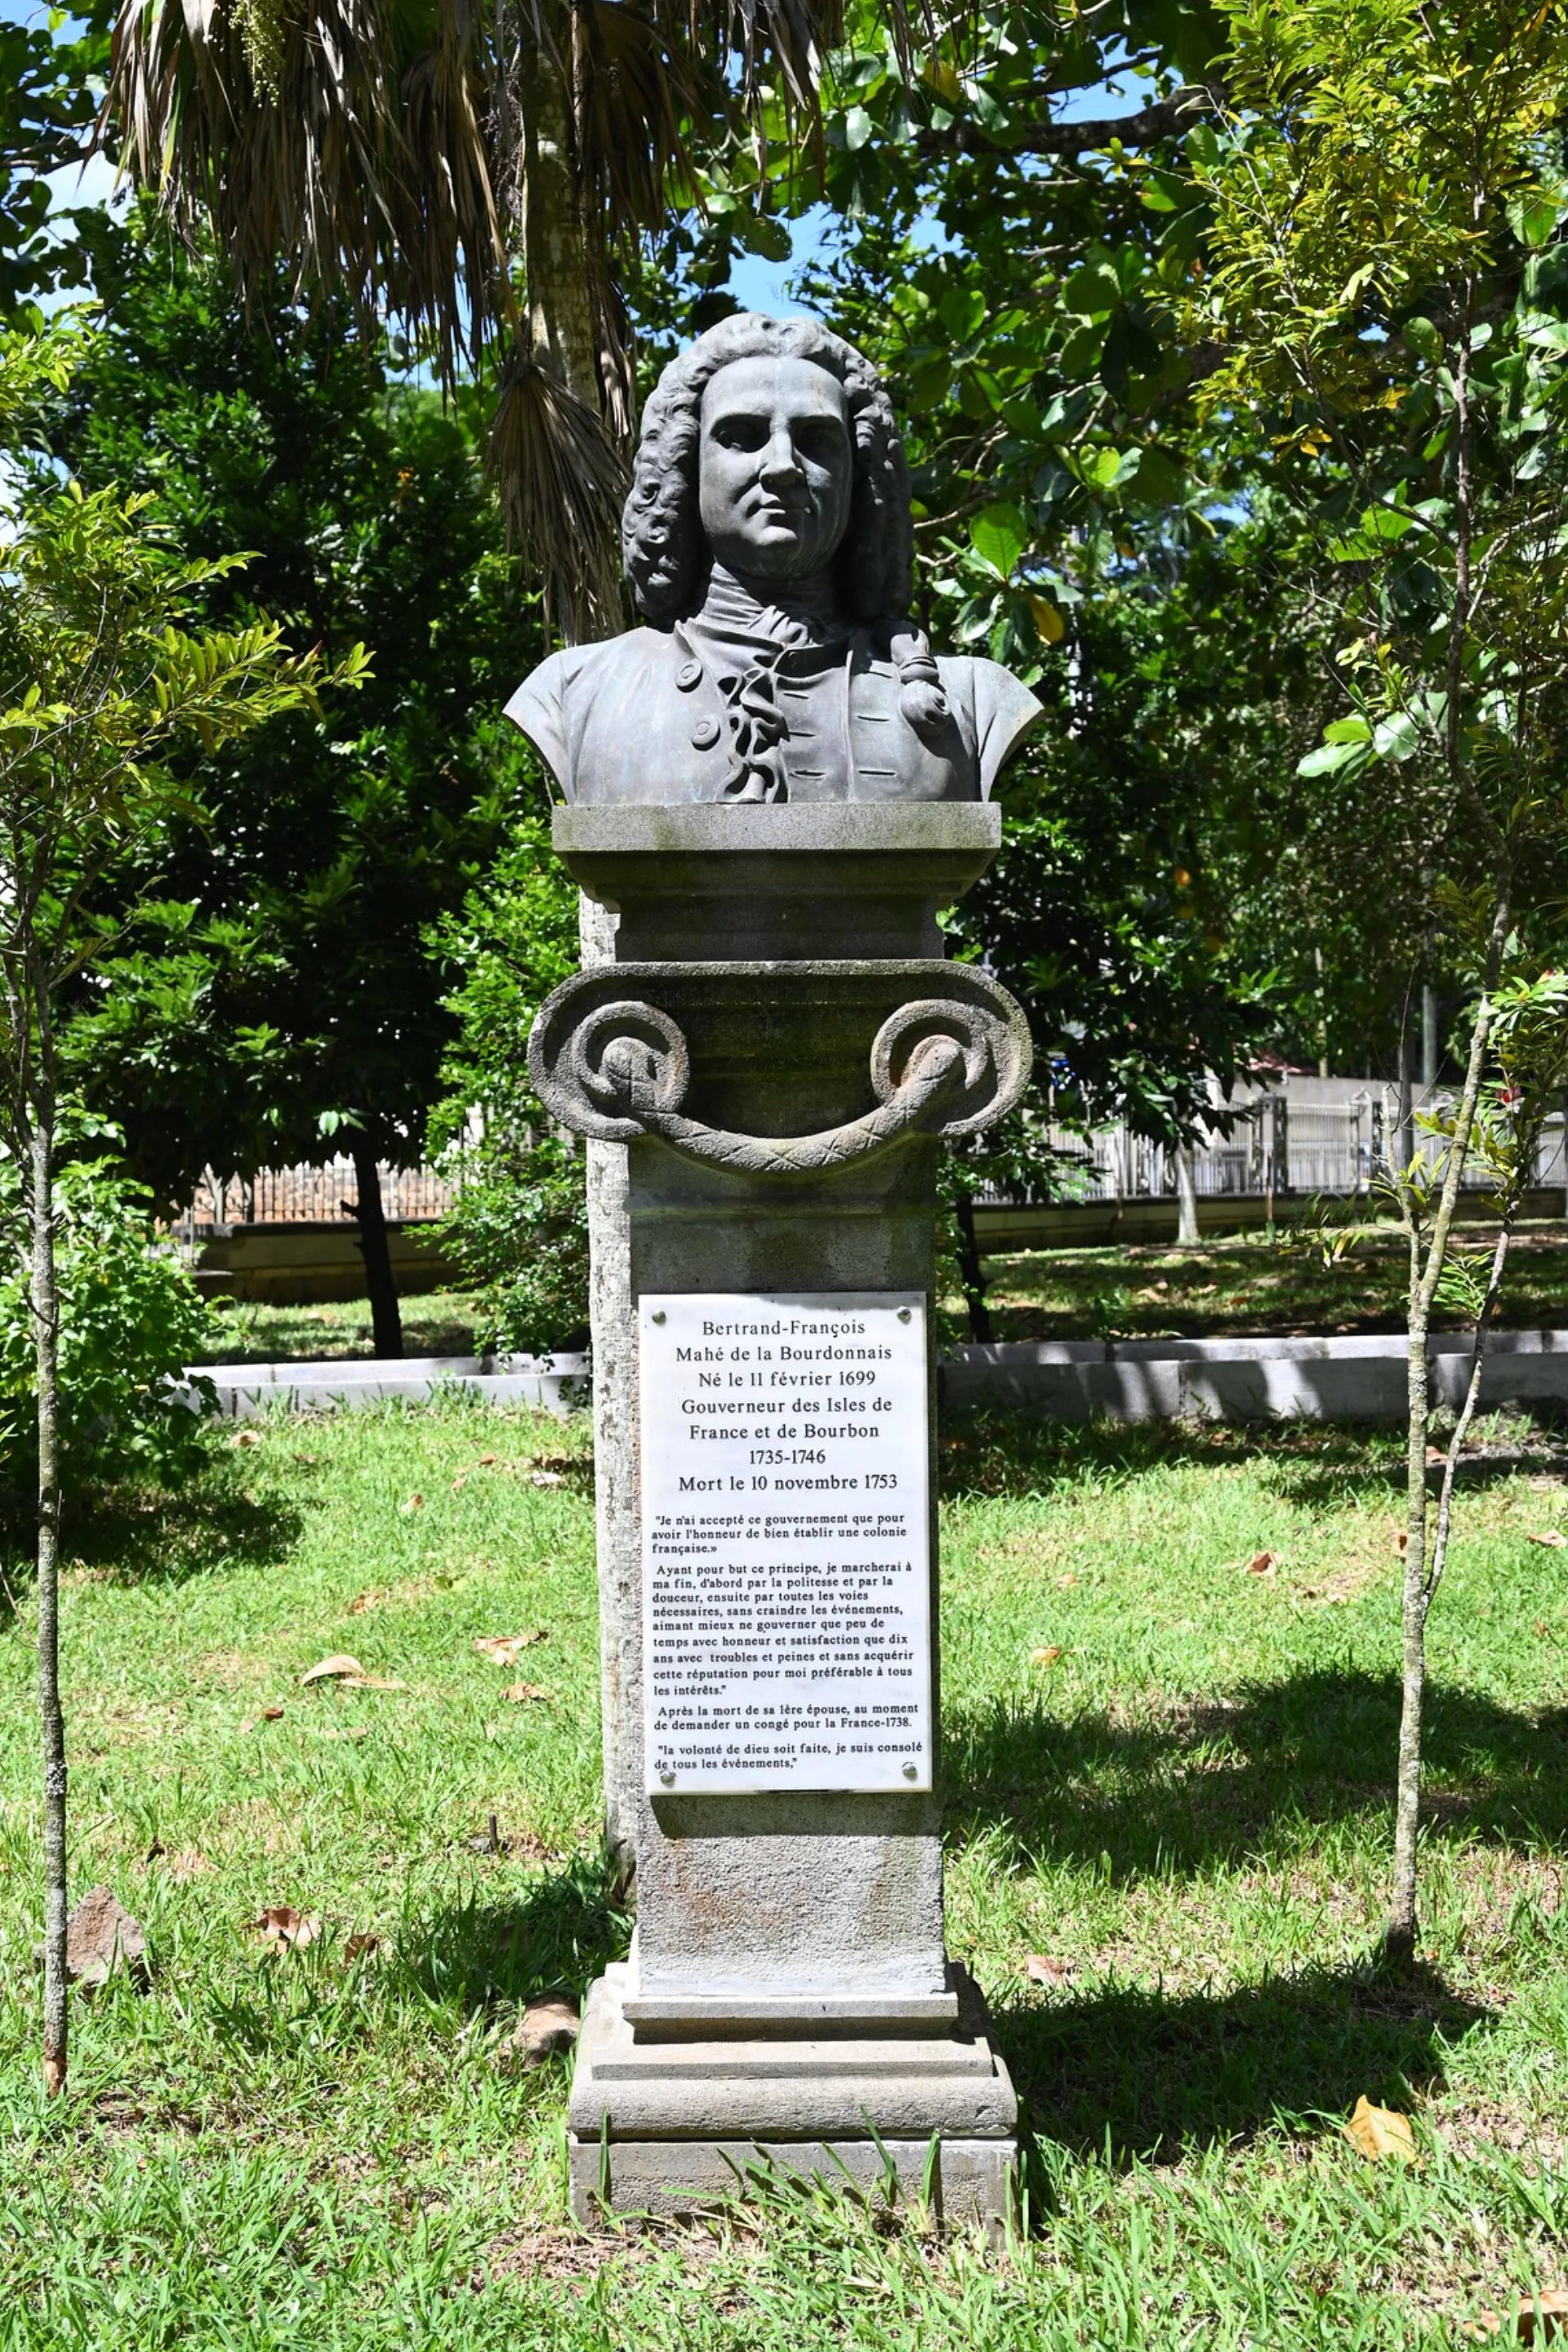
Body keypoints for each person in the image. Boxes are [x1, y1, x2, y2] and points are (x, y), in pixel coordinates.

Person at [506, 314, 1041, 805]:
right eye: (741, 437)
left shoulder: (970, 700)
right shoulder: (581, 693)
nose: (783, 465)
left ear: (862, 480)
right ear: (686, 467)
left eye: (816, 440)